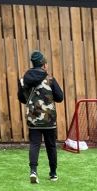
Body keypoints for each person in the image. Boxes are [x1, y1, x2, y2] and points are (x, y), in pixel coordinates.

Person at [17, 50, 64, 184]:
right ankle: (53, 173)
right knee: (51, 146)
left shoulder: (23, 80)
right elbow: (60, 98)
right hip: (49, 119)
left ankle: (33, 172)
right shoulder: (50, 79)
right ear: (43, 65)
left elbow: (21, 98)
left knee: (34, 144)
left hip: (33, 118)